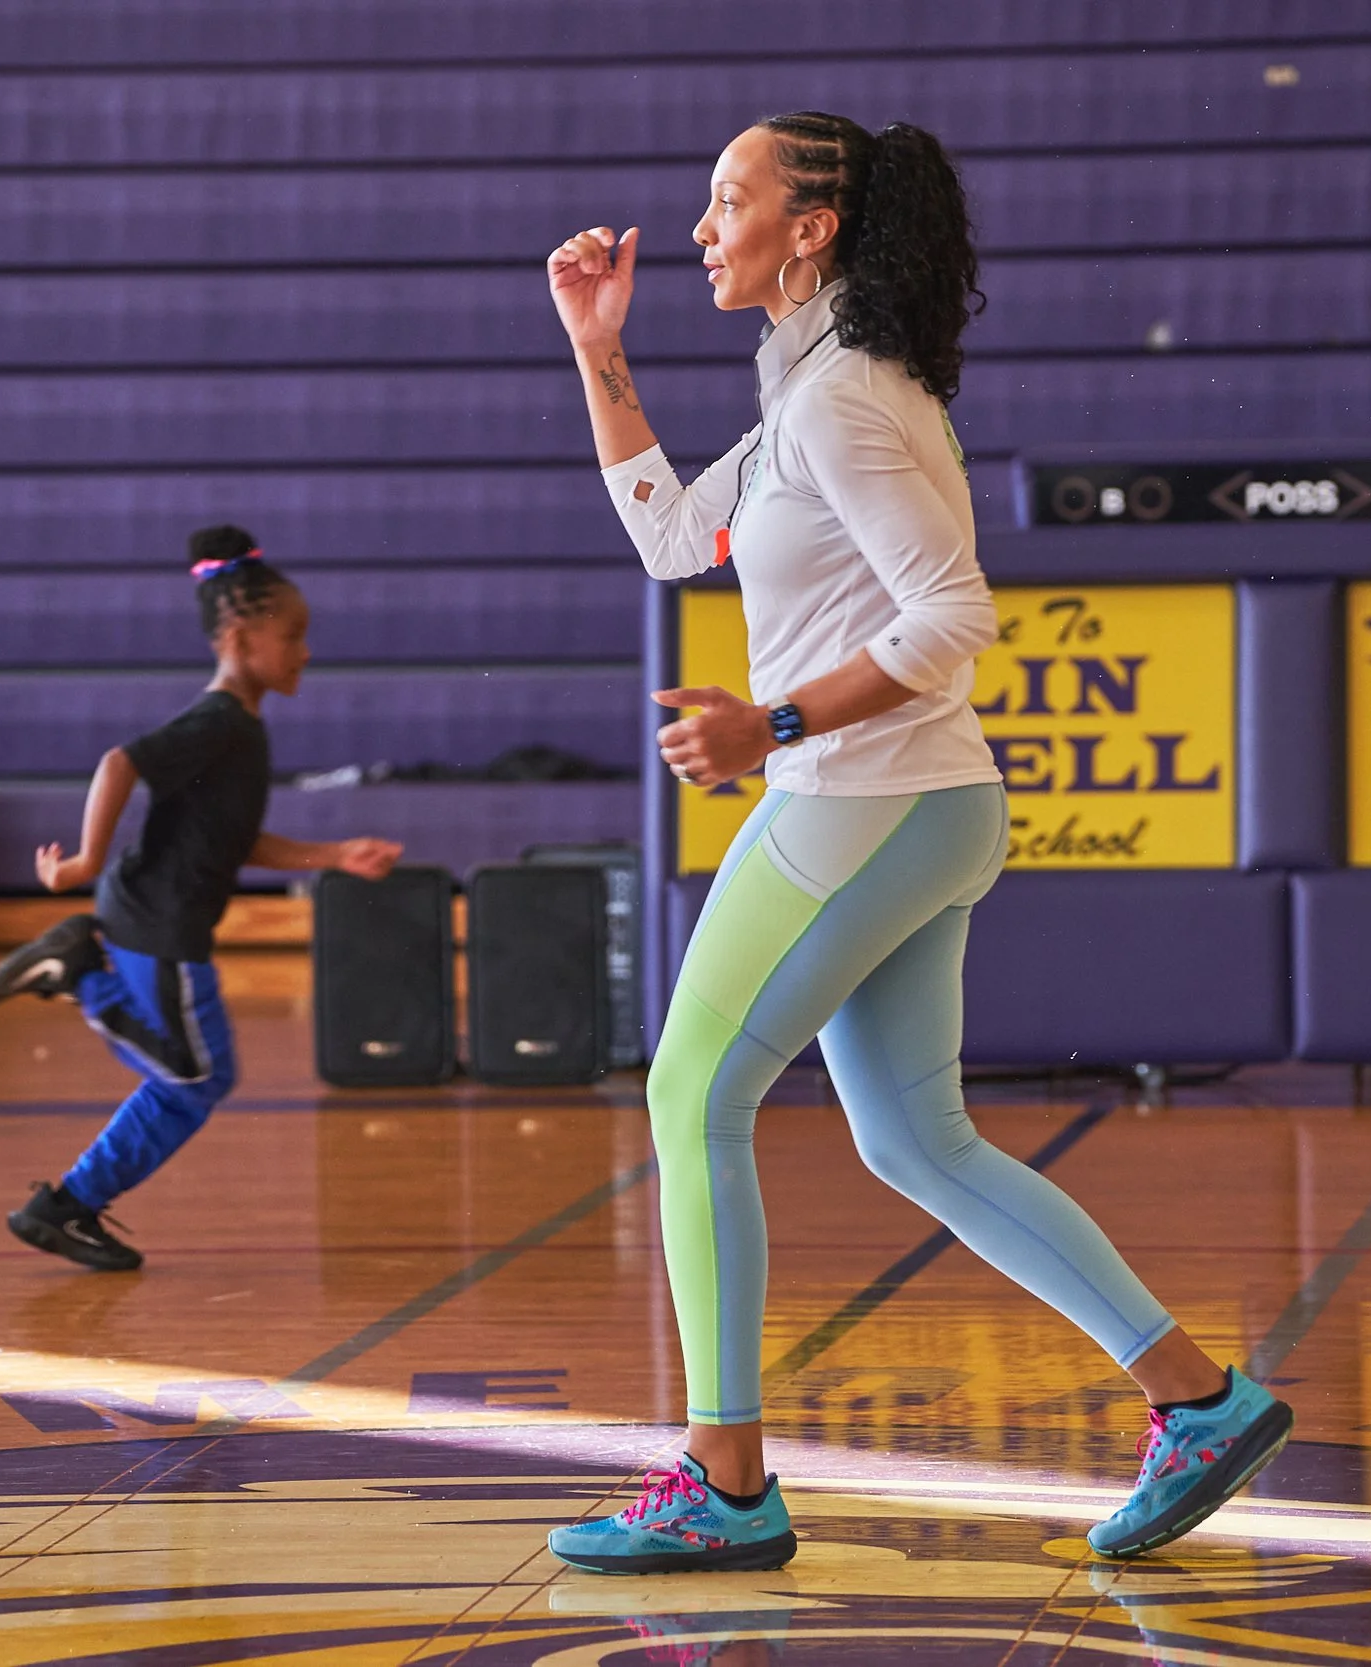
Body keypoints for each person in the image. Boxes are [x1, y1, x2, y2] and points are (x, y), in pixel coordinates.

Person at [540, 113, 1290, 1573]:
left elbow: (951, 622)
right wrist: (599, 348)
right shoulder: (809, 392)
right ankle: (1199, 1398)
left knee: (691, 1090)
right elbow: (675, 539)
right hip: (915, 802)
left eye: (726, 199)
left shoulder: (843, 400)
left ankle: (724, 1477)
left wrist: (772, 721)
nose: (700, 225)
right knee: (913, 1137)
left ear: (810, 227)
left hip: (858, 797)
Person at [0, 527, 401, 1271]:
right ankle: (80, 974)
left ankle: (65, 1207)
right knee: (198, 1076)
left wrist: (334, 854)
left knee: (186, 1082)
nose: (305, 651)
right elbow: (120, 762)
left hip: (155, 919)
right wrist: (83, 859)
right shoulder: (218, 721)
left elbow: (237, 838)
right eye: (293, 635)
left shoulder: (243, 727)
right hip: (158, 924)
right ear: (239, 637)